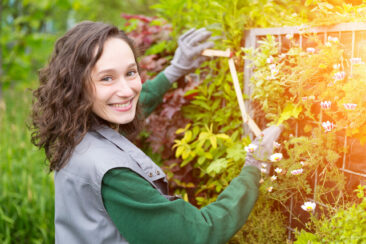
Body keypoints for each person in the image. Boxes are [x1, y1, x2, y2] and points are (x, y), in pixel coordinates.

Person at [31, 21, 282, 244]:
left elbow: (129, 107)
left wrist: (175, 69)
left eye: (131, 73)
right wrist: (254, 167)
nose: (128, 90)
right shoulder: (114, 175)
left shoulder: (76, 132)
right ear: (77, 87)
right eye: (107, 78)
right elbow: (197, 234)